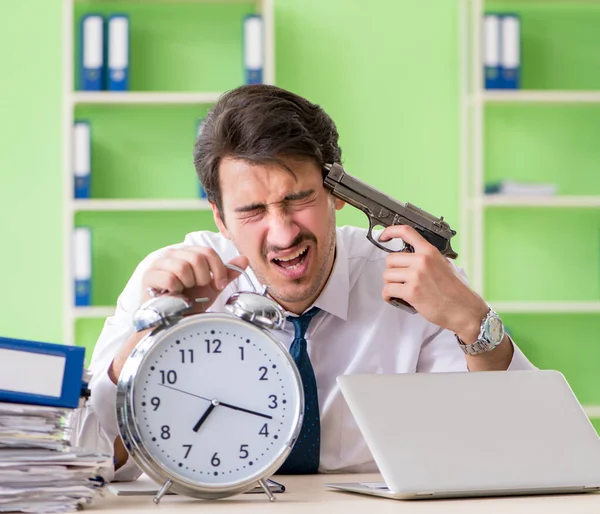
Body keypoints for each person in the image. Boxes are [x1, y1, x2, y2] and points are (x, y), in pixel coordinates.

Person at [70, 84, 535, 482]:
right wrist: (145, 340)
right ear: (220, 218)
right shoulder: (169, 282)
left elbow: (507, 451)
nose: (284, 232)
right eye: (252, 211)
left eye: (299, 199)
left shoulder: (416, 277)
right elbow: (87, 464)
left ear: (337, 196)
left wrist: (475, 324)